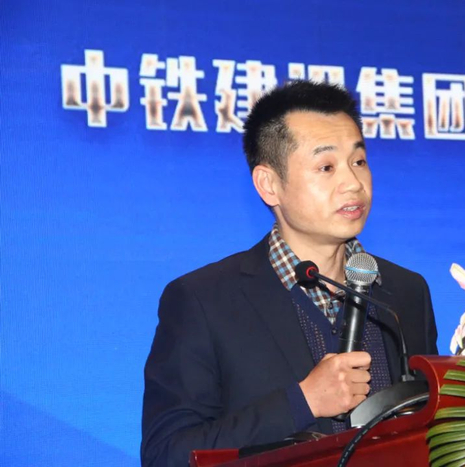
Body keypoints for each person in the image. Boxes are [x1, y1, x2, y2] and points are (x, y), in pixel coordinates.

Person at [141, 80, 438, 466]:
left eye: (359, 161)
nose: (353, 183)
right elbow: (167, 454)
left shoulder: (407, 291)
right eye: (326, 167)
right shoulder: (203, 300)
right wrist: (302, 402)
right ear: (269, 185)